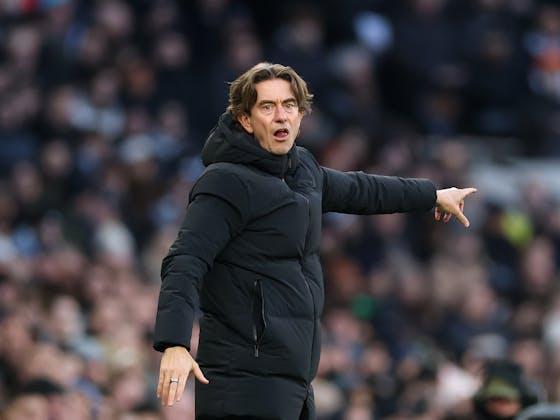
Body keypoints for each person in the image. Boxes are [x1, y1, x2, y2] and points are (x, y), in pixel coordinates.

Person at [152, 62, 476, 420]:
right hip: (243, 380)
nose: (281, 116)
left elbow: (361, 190)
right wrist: (175, 342)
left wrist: (432, 195)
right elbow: (185, 261)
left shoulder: (302, 169)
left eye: (289, 105)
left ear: (301, 114)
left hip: (294, 381)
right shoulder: (226, 181)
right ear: (245, 119)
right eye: (267, 106)